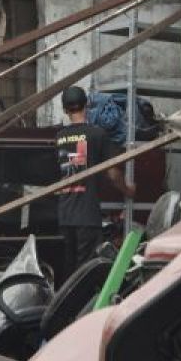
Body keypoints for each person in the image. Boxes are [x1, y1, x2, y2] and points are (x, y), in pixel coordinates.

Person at [54, 86, 134, 279]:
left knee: (69, 268)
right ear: (87, 105)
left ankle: (68, 299)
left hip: (65, 214)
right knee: (87, 270)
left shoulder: (59, 137)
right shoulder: (97, 134)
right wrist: (128, 190)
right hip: (87, 214)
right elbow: (113, 174)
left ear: (65, 110)